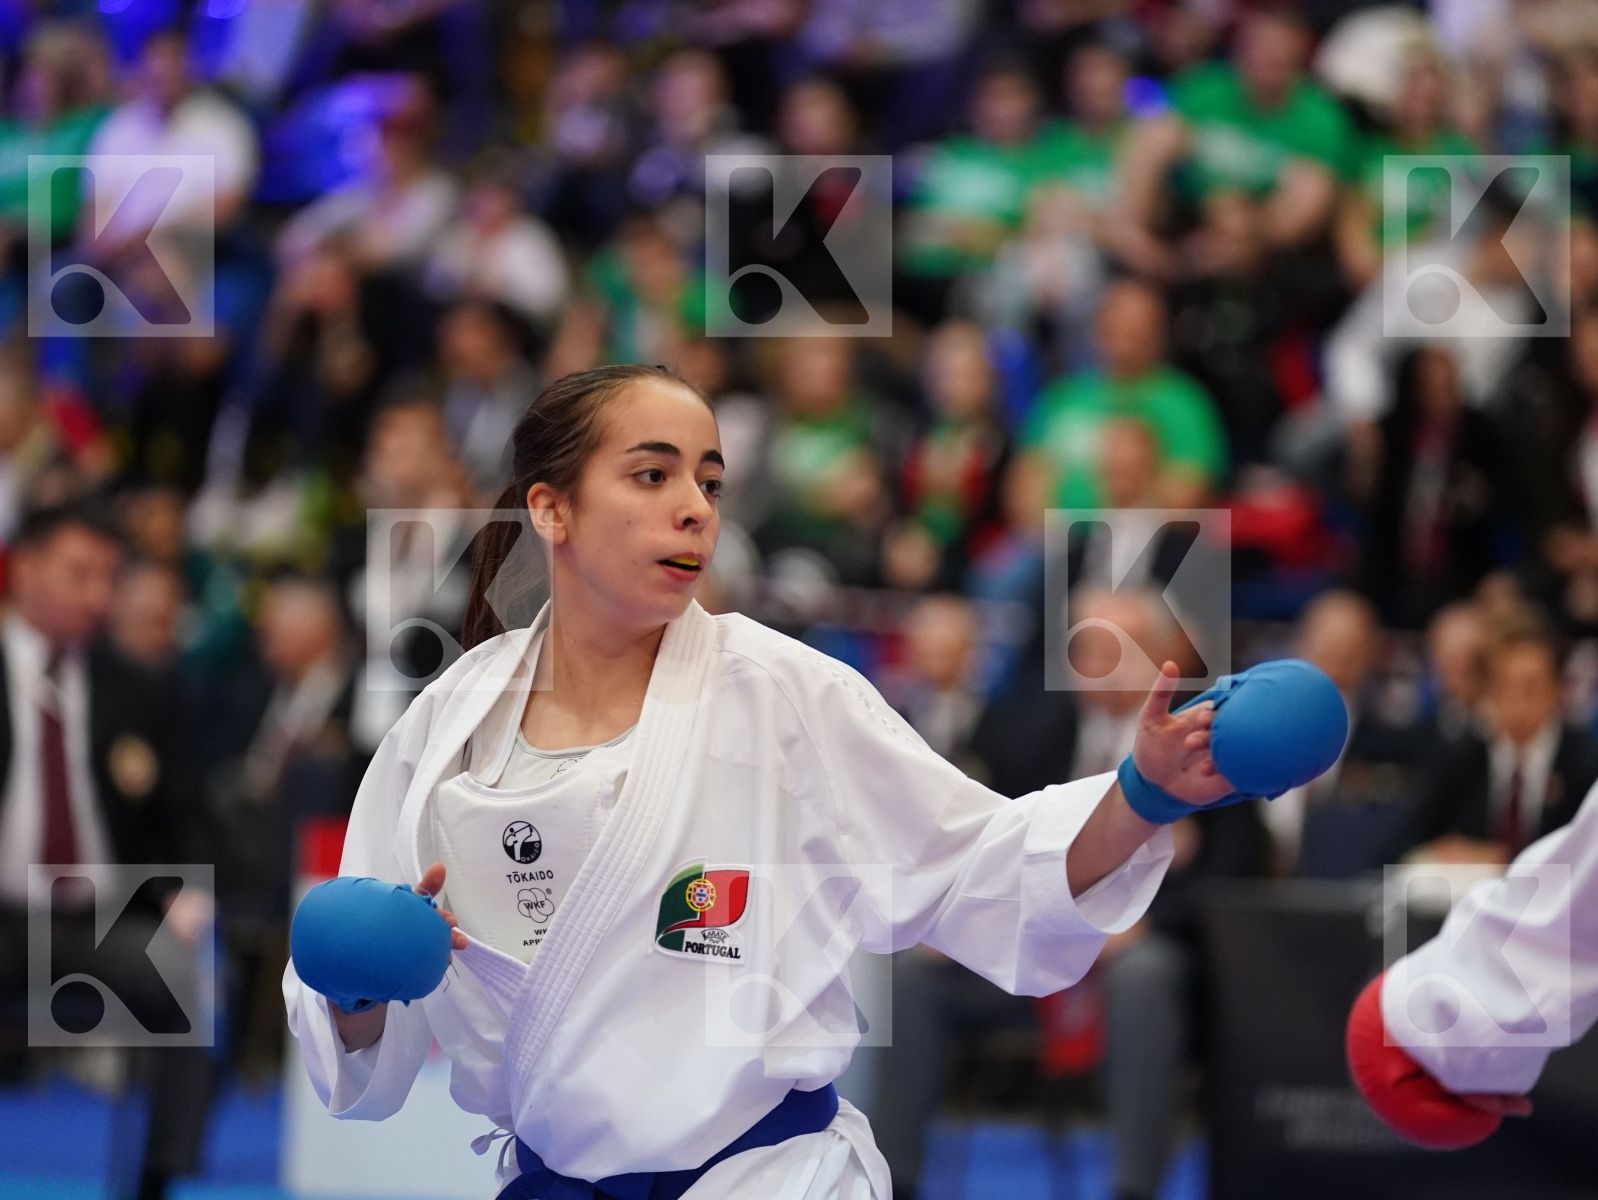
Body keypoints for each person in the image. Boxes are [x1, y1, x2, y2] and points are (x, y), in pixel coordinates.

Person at [280, 364, 1274, 1199]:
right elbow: (361, 1046)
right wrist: (359, 985)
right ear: (551, 508)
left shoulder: (781, 691)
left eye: (709, 482)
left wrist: (1143, 793)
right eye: (651, 474)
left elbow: (979, 865)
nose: (693, 507)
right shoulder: (449, 728)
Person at [0, 501, 214, 1200]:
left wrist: (187, 893)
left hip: (102, 919)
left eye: (108, 578)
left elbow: (185, 815)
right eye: (78, 574)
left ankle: (156, 1181)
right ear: (24, 570)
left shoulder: (139, 686)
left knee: (187, 981)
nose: (97, 596)